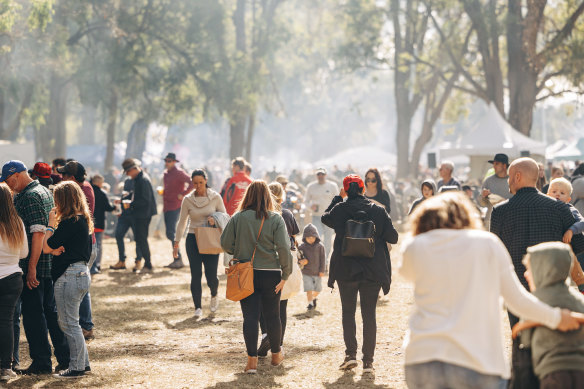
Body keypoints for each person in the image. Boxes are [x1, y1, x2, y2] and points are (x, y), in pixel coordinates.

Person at [401, 192, 582, 389]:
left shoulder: (415, 246)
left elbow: (405, 273)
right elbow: (518, 300)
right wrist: (557, 318)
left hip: (422, 357)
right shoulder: (487, 243)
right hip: (478, 360)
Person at [490, 157, 584, 388]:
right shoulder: (561, 209)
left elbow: (496, 254)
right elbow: (580, 247)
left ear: (518, 177)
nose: (508, 183)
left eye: (511, 177)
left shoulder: (500, 211)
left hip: (516, 289)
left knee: (520, 342)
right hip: (554, 290)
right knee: (555, 341)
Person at [322, 174, 398, 373]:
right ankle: (368, 362)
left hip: (346, 269)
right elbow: (394, 237)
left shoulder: (340, 209)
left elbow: (325, 217)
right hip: (372, 270)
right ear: (363, 189)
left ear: (346, 190)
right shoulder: (378, 211)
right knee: (369, 315)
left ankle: (350, 355)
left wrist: (338, 198)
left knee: (348, 313)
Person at [0, 160, 69, 375]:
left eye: (9, 181)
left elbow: (37, 234)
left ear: (17, 175)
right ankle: (65, 358)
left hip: (35, 266)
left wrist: (31, 268)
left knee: (33, 316)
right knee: (50, 312)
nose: (9, 186)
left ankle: (41, 362)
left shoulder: (29, 196)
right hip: (46, 265)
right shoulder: (43, 190)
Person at [220, 180, 293, 374]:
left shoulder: (238, 217)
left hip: (246, 273)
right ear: (268, 196)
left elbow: (225, 244)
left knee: (250, 317)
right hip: (271, 273)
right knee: (273, 316)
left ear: (248, 196)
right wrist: (286, 273)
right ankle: (276, 356)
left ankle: (251, 361)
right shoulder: (276, 219)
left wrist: (240, 249)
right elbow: (284, 248)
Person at [516, 242, 584, 388]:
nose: (525, 274)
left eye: (529, 269)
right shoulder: (579, 300)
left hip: (551, 373)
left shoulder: (534, 303)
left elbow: (526, 342)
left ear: (543, 270)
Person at [42, 181, 93, 378]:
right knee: (73, 322)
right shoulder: (83, 220)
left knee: (68, 324)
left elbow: (47, 244)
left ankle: (77, 367)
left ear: (63, 200)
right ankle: (83, 364)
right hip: (81, 273)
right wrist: (55, 250)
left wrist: (50, 224)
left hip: (69, 276)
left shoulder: (69, 222)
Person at [174, 169, 227, 319]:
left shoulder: (215, 197)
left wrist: (214, 219)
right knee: (195, 274)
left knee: (211, 276)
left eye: (201, 183)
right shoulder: (188, 199)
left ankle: (214, 293)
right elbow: (182, 222)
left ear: (206, 180)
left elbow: (225, 217)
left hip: (210, 238)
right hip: (193, 238)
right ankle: (197, 307)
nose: (198, 186)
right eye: (195, 183)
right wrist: (176, 243)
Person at [257, 182, 300, 358]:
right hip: (283, 263)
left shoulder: (261, 215)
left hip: (264, 263)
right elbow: (293, 239)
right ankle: (279, 343)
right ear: (281, 197)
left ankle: (266, 334)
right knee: (282, 305)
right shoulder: (287, 214)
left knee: (262, 304)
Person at [58, 161, 96, 340]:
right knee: (81, 285)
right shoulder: (84, 187)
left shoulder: (82, 190)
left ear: (72, 178)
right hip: (84, 244)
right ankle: (85, 325)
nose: (61, 178)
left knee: (80, 284)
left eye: (64, 175)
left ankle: (86, 326)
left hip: (84, 245)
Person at [0, 183, 27, 382]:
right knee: (7, 322)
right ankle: (6, 367)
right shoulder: (17, 222)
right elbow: (24, 253)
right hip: (12, 277)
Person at [121, 158, 157, 273]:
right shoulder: (139, 178)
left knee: (142, 239)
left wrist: (131, 204)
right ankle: (146, 263)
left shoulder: (143, 180)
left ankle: (148, 264)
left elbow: (145, 200)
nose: (127, 174)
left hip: (143, 214)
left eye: (128, 172)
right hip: (140, 213)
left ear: (133, 169)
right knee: (141, 239)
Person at [162, 153, 193, 270]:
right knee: (170, 233)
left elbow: (191, 182)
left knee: (171, 233)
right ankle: (177, 258)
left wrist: (183, 194)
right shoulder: (166, 173)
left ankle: (178, 258)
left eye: (169, 161)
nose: (167, 162)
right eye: (166, 160)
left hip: (175, 206)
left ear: (174, 162)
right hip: (166, 205)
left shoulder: (179, 172)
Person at [304, 167, 338, 263]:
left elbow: (337, 200)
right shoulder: (311, 186)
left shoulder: (332, 186)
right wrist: (311, 206)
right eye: (318, 174)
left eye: (322, 174)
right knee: (317, 237)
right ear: (316, 175)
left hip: (329, 216)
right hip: (316, 216)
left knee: (328, 239)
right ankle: (317, 258)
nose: (320, 176)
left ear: (325, 175)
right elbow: (305, 201)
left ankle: (325, 260)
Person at [110, 177, 143, 270]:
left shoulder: (141, 180)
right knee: (118, 235)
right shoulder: (127, 181)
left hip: (135, 214)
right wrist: (120, 201)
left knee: (138, 238)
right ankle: (122, 261)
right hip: (125, 214)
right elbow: (126, 196)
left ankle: (138, 261)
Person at [90, 174, 116, 274]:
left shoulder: (87, 192)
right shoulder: (102, 193)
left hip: (89, 223)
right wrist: (115, 207)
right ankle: (97, 265)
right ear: (99, 182)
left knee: (90, 244)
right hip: (99, 223)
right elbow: (108, 207)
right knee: (98, 245)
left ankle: (90, 264)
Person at [479, 153, 512, 229]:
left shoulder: (512, 181)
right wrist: (483, 196)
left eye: (497, 164)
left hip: (508, 220)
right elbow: (482, 204)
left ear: (504, 166)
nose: (494, 166)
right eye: (493, 164)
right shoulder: (488, 181)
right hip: (491, 219)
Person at [298, 224, 325, 311]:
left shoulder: (320, 247)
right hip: (306, 272)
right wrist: (301, 261)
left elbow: (323, 259)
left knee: (318, 290)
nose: (311, 239)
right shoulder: (301, 247)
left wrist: (322, 270)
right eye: (308, 237)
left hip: (317, 272)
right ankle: (310, 304)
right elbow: (298, 258)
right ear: (304, 237)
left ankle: (313, 298)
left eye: (313, 237)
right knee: (309, 289)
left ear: (316, 236)